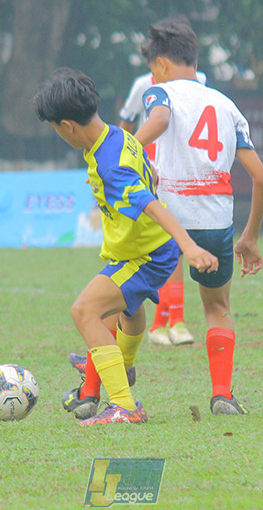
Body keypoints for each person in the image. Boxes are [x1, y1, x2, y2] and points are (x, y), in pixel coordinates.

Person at [33, 67, 219, 426]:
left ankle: (124, 405)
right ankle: (122, 365)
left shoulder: (109, 165)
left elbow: (151, 202)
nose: (58, 135)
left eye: (56, 128)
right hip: (144, 250)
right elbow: (152, 173)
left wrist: (190, 247)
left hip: (146, 256)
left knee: (85, 311)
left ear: (68, 126)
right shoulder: (119, 136)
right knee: (128, 312)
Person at [133, 15, 263, 415]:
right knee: (217, 308)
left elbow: (158, 122)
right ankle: (222, 395)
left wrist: (123, 148)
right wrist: (249, 237)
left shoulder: (158, 94)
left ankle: (95, 391)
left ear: (159, 64)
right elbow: (261, 180)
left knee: (122, 298)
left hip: (168, 223)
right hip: (215, 226)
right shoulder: (227, 105)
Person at [118, 69, 206, 347]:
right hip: (151, 172)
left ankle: (164, 324)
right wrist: (117, 159)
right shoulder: (143, 84)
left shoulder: (199, 81)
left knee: (173, 244)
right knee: (169, 244)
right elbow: (126, 124)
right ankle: (172, 322)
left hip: (180, 172)